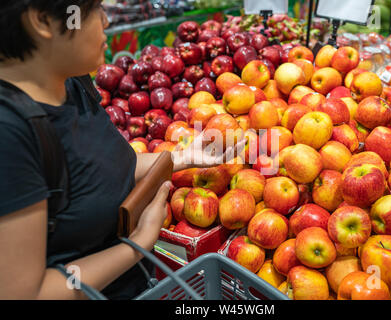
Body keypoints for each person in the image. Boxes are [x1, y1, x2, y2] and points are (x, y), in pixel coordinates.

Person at [0, 0, 243, 300]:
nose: (105, 20)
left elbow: (100, 170)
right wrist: (137, 244)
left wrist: (185, 158)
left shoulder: (72, 84)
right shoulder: (10, 133)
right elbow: (25, 294)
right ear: (43, 21)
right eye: (93, 9)